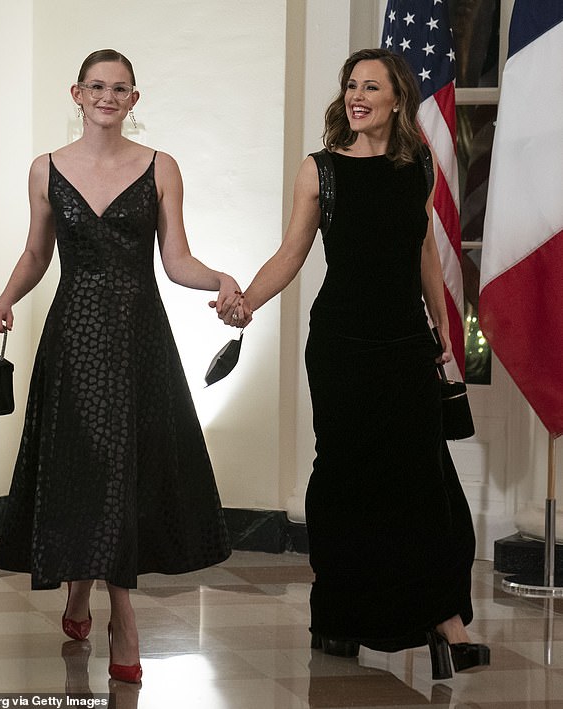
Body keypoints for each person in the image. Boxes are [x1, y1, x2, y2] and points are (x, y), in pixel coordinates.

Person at [217, 48, 490, 680]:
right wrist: (247, 303)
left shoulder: (417, 163)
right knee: (344, 477)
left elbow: (422, 243)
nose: (357, 96)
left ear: (398, 99)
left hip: (403, 344)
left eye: (371, 86)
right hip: (340, 344)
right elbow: (291, 252)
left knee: (423, 480)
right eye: (350, 86)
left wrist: (441, 323)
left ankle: (445, 618)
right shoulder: (321, 172)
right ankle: (337, 616)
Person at [0, 49, 242, 684]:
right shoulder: (45, 168)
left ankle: (117, 610)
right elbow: (37, 250)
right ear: (76, 93)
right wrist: (4, 300)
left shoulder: (161, 168)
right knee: (82, 468)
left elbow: (177, 260)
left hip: (137, 338)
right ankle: (85, 595)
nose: (107, 96)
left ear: (134, 100)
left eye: (119, 88)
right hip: (72, 337)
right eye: (96, 86)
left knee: (122, 473)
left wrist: (224, 279)